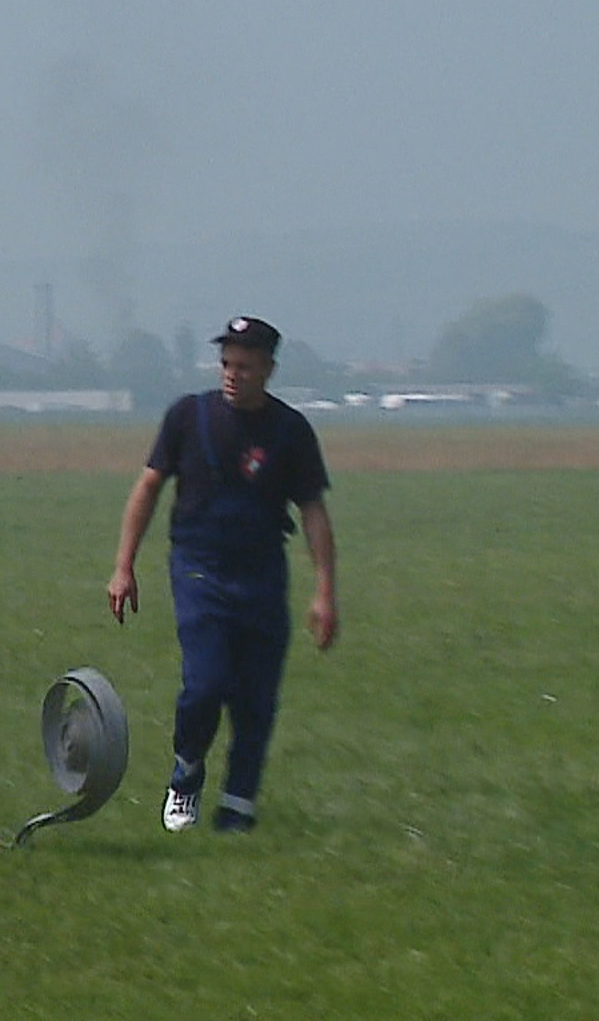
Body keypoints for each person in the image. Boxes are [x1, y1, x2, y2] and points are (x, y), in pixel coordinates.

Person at [106, 316, 338, 834]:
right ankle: (185, 774)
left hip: (262, 573)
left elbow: (314, 513)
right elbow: (148, 488)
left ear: (269, 370)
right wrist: (124, 567)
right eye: (227, 364)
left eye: (246, 366)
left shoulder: (291, 430)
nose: (233, 375)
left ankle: (238, 805)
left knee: (256, 698)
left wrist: (325, 593)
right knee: (206, 684)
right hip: (198, 569)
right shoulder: (188, 416)